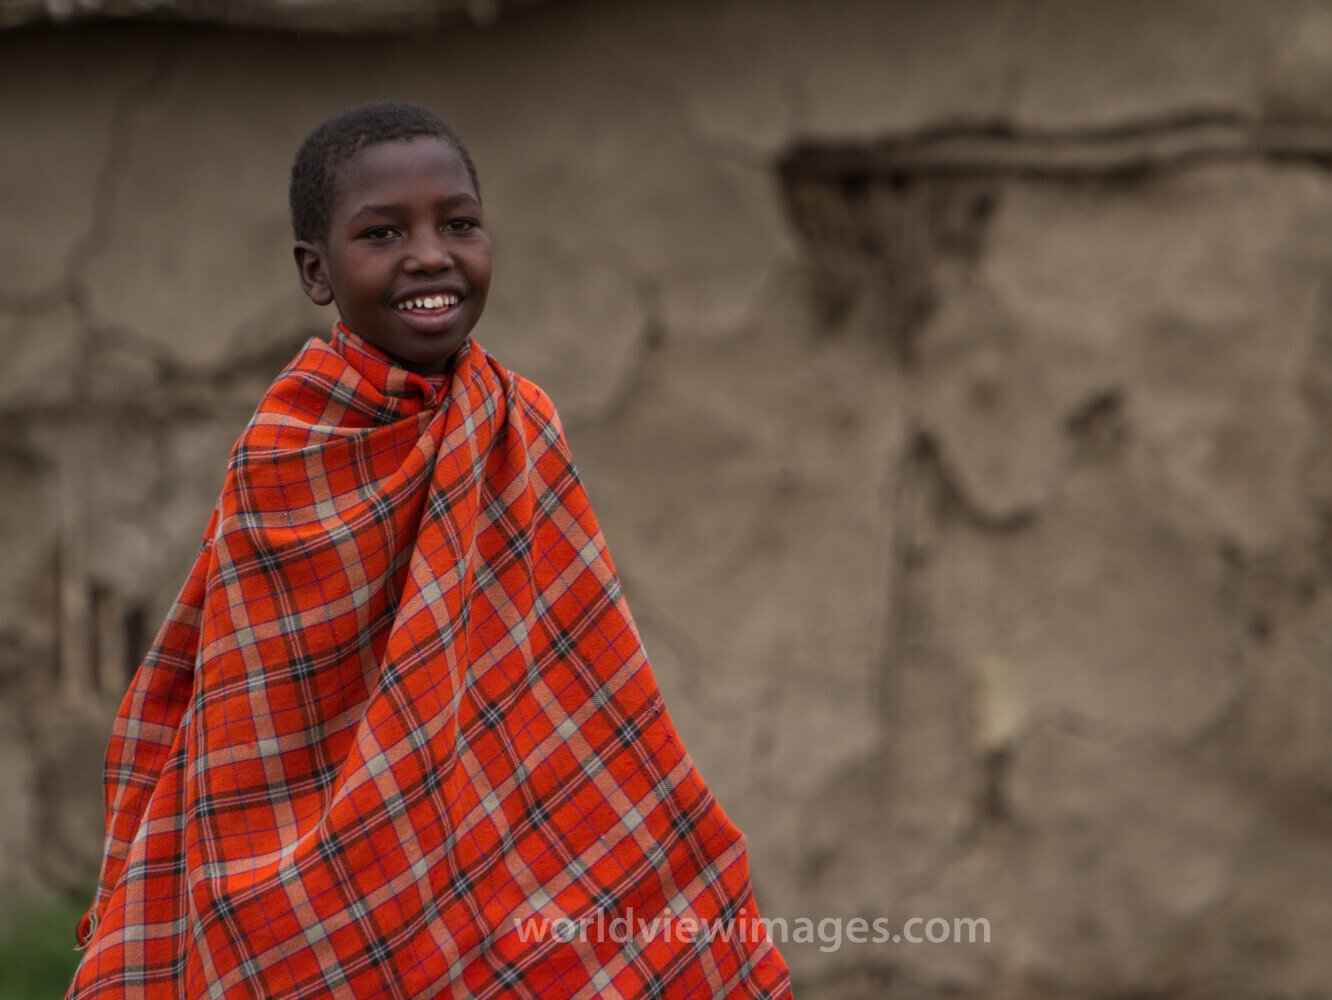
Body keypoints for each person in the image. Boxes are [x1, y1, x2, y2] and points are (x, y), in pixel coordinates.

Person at [68, 101, 792, 1000]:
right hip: (309, 870)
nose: (429, 254)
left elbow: (579, 675)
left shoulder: (518, 424)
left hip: (503, 836)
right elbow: (253, 722)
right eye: (382, 232)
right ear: (316, 271)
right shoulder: (287, 452)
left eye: (459, 223)